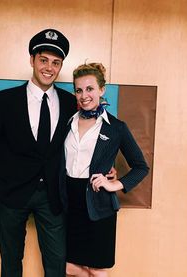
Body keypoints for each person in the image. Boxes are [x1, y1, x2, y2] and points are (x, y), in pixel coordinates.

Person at [0, 28, 78, 277]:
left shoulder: (69, 102)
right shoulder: (5, 100)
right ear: (32, 60)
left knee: (57, 263)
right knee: (11, 262)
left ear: (60, 66)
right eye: (43, 60)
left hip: (52, 196)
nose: (49, 68)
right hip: (12, 194)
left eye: (56, 63)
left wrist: (105, 166)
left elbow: (85, 140)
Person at [59, 63, 149, 277]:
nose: (84, 95)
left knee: (98, 269)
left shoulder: (116, 127)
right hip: (68, 203)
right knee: (65, 264)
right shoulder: (66, 122)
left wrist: (114, 183)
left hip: (99, 206)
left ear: (102, 89)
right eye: (79, 90)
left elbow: (141, 167)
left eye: (90, 89)